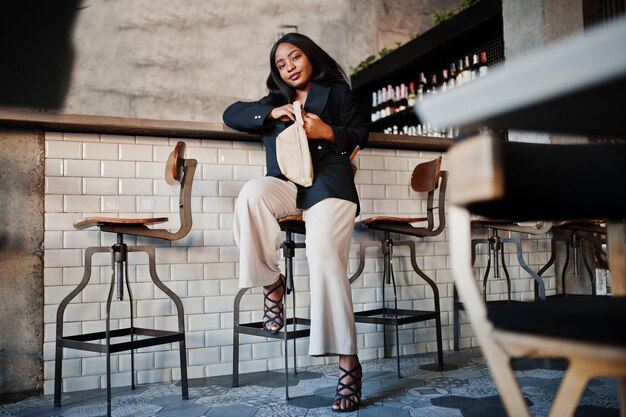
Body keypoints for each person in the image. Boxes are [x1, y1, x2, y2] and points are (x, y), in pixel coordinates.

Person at [223, 33, 368, 412]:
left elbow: (360, 133)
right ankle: (272, 281)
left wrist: (327, 132)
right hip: (287, 184)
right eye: (281, 64)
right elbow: (230, 114)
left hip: (328, 184)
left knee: (323, 257)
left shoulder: (336, 93)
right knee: (252, 193)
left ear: (310, 56)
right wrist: (272, 114)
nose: (289, 66)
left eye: (294, 57)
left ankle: (347, 363)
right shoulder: (273, 102)